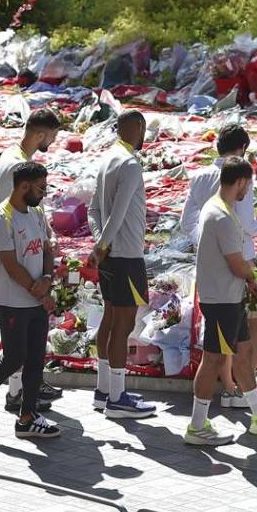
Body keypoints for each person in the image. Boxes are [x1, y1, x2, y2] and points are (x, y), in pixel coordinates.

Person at [186, 158, 257, 445]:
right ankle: (197, 425)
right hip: (222, 298)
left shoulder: (222, 210)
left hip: (230, 296)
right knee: (213, 359)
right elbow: (236, 263)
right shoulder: (221, 215)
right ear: (242, 182)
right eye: (249, 184)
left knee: (243, 352)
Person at [177, 123, 257, 411]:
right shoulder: (239, 180)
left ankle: (241, 394)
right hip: (239, 263)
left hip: (213, 266)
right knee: (250, 327)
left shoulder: (201, 178)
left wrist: (208, 245)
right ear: (243, 149)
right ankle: (232, 397)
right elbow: (245, 223)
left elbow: (187, 222)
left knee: (231, 338)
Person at [0, 162, 61, 439]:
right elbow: (10, 266)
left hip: (36, 298)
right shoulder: (0, 220)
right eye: (40, 188)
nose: (44, 193)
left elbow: (46, 250)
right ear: (24, 186)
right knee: (14, 357)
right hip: (12, 301)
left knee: (35, 360)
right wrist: (38, 290)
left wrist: (48, 278)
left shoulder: (37, 212)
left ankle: (27, 417)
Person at [87, 111, 157, 418]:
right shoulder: (129, 163)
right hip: (125, 254)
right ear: (139, 128)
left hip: (111, 255)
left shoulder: (107, 159)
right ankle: (117, 397)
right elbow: (117, 212)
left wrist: (99, 242)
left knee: (110, 319)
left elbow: (93, 209)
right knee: (123, 325)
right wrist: (103, 244)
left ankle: (104, 390)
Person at [0, 107, 63, 413]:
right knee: (17, 341)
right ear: (40, 134)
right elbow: (13, 209)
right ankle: (13, 392)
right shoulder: (17, 166)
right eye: (52, 136)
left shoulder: (16, 157)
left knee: (27, 339)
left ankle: (27, 387)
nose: (53, 141)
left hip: (26, 247)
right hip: (17, 253)